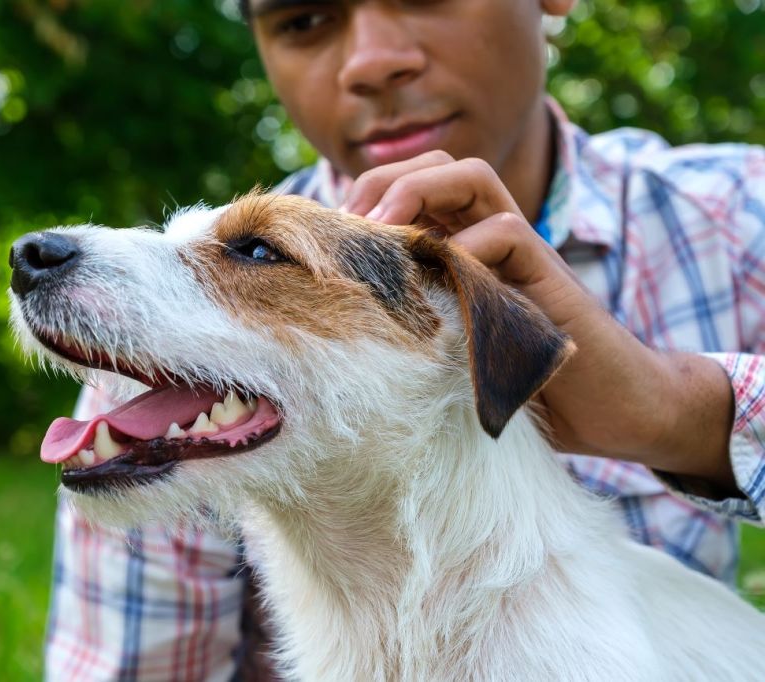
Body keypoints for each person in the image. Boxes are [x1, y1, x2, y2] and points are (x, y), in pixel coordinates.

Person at [44, 1, 765, 679]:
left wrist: (679, 411)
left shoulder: (737, 216)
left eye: (259, 254)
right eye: (305, 18)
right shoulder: (161, 365)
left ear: (459, 332)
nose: (372, 62)